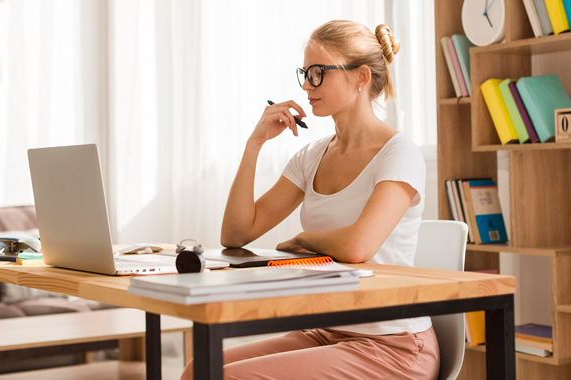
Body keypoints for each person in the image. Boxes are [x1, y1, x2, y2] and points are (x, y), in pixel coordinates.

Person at [181, 20, 439, 380]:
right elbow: (237, 233)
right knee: (199, 370)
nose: (306, 85)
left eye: (318, 73)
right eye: (305, 73)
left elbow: (359, 245)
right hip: (327, 331)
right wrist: (254, 144)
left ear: (361, 77)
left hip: (391, 344)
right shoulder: (312, 156)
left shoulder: (399, 154)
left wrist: (303, 240)